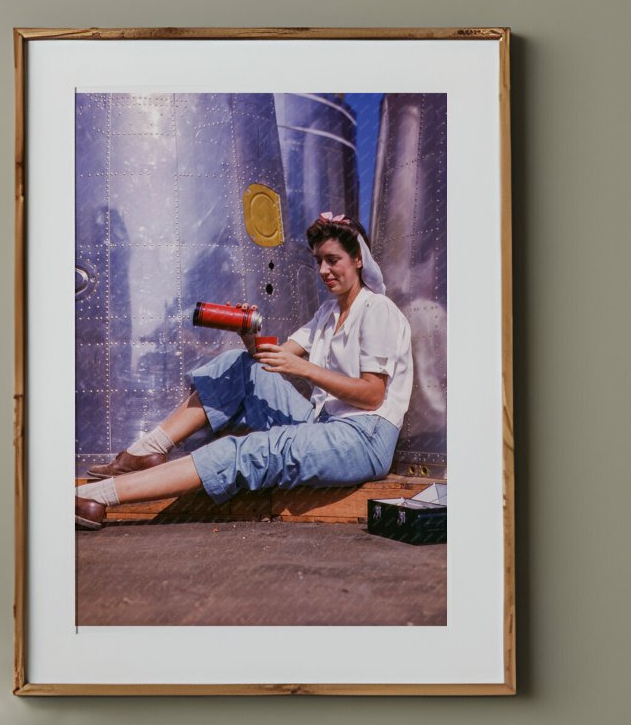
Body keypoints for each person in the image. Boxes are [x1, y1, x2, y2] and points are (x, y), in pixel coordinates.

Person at [75, 212, 413, 529]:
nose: (324, 270)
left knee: (252, 450)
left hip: (364, 437)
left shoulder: (377, 310)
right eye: (318, 261)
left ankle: (96, 497)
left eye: (333, 260)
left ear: (358, 260)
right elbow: (271, 360)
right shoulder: (328, 312)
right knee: (239, 366)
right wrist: (249, 335)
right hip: (323, 422)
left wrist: (306, 369)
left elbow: (372, 395)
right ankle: (149, 450)